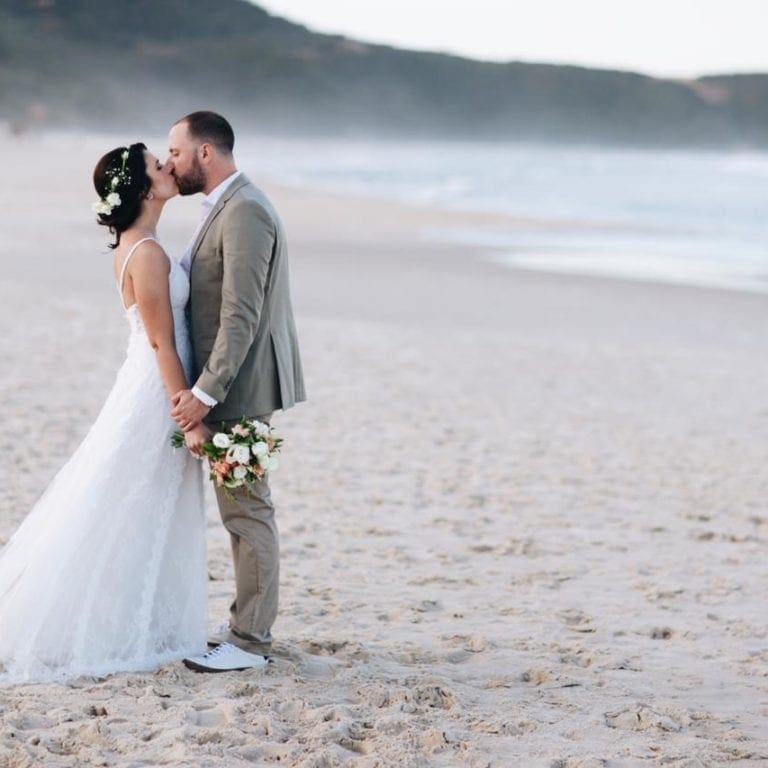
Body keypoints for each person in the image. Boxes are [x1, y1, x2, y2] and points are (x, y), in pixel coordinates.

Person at [0, 143, 211, 683]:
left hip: (148, 383)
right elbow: (164, 343)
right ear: (142, 189)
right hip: (155, 390)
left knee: (138, 501)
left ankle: (136, 618)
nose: (168, 167)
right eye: (157, 166)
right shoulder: (146, 253)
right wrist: (188, 414)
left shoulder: (139, 245)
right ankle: (112, 627)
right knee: (129, 501)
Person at [166, 112, 306, 673]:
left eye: (175, 151)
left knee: (248, 515)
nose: (170, 160)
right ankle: (244, 630)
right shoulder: (225, 205)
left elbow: (241, 315)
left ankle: (250, 643)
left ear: (205, 152)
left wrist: (205, 391)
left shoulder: (245, 209)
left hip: (240, 389)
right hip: (229, 386)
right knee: (241, 514)